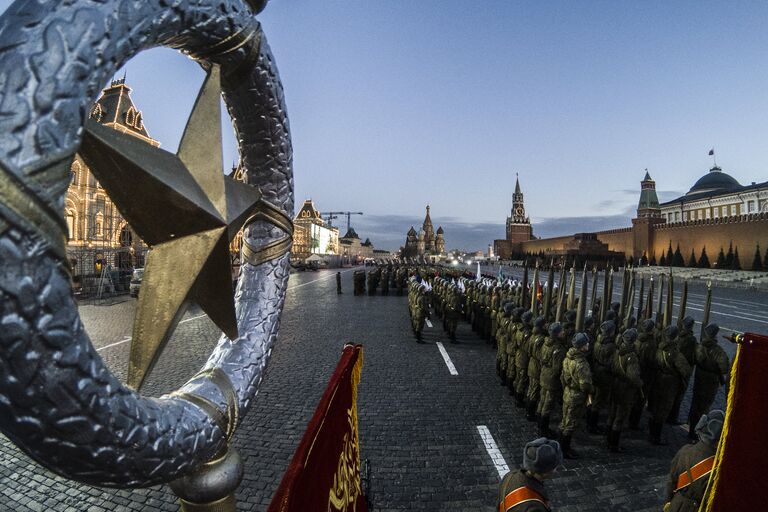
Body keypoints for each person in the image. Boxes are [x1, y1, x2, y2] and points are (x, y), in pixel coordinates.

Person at [663, 410, 724, 512]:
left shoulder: (685, 450)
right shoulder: (719, 467)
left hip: (676, 505)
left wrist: (668, 502)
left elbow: (671, 481)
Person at [687, 323, 730, 442]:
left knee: (695, 405)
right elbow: (725, 367)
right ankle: (699, 432)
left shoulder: (699, 346)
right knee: (704, 407)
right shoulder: (718, 351)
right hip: (711, 381)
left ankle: (691, 430)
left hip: (699, 377)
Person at [649, 325, 691, 445]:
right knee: (663, 408)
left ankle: (652, 432)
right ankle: (656, 436)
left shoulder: (659, 348)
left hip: (658, 379)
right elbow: (686, 370)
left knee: (656, 406)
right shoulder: (674, 353)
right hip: (670, 383)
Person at [498, 437, 562, 511]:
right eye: (554, 467)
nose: (555, 470)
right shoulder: (534, 507)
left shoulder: (510, 475)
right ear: (545, 471)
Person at [606, 328, 642, 452]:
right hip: (625, 389)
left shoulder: (617, 351)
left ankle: (608, 439)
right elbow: (633, 377)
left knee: (612, 413)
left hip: (615, 385)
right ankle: (614, 444)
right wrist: (640, 384)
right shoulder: (631, 356)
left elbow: (611, 366)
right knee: (620, 416)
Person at [559, 332, 594, 459]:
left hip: (568, 392)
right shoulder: (581, 363)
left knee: (565, 420)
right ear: (581, 347)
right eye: (586, 343)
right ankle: (565, 449)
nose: (588, 344)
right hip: (576, 395)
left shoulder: (568, 357)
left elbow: (563, 376)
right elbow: (585, 385)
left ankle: (561, 445)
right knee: (571, 423)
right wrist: (592, 389)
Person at [537, 322, 567, 438]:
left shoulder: (545, 342)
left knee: (542, 400)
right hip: (551, 379)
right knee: (548, 404)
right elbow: (557, 368)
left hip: (544, 374)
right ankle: (543, 430)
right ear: (557, 334)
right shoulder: (558, 348)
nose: (563, 332)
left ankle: (540, 425)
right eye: (561, 331)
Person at [668, 316, 697, 425]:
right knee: (678, 395)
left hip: (675, 367)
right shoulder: (691, 340)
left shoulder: (678, 336)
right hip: (684, 368)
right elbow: (693, 355)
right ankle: (672, 418)